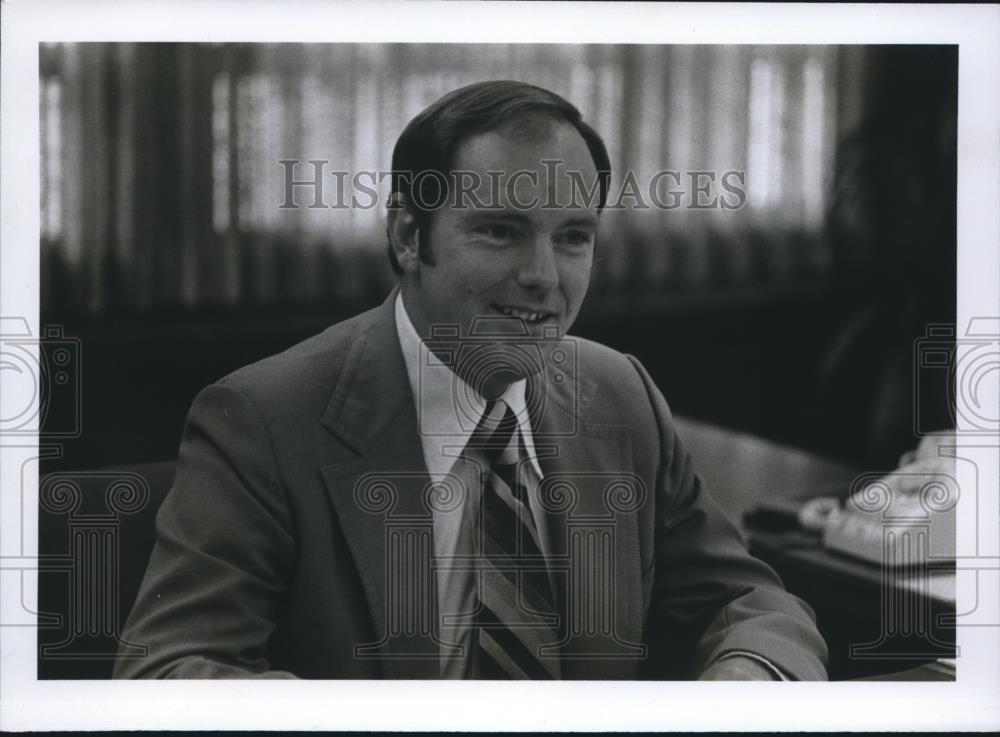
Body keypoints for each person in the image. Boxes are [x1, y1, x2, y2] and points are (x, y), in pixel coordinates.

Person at [114, 80, 828, 680]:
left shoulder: (621, 393)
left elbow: (747, 600)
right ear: (406, 237)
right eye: (500, 231)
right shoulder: (262, 419)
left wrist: (748, 676)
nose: (543, 278)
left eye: (573, 237)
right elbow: (169, 668)